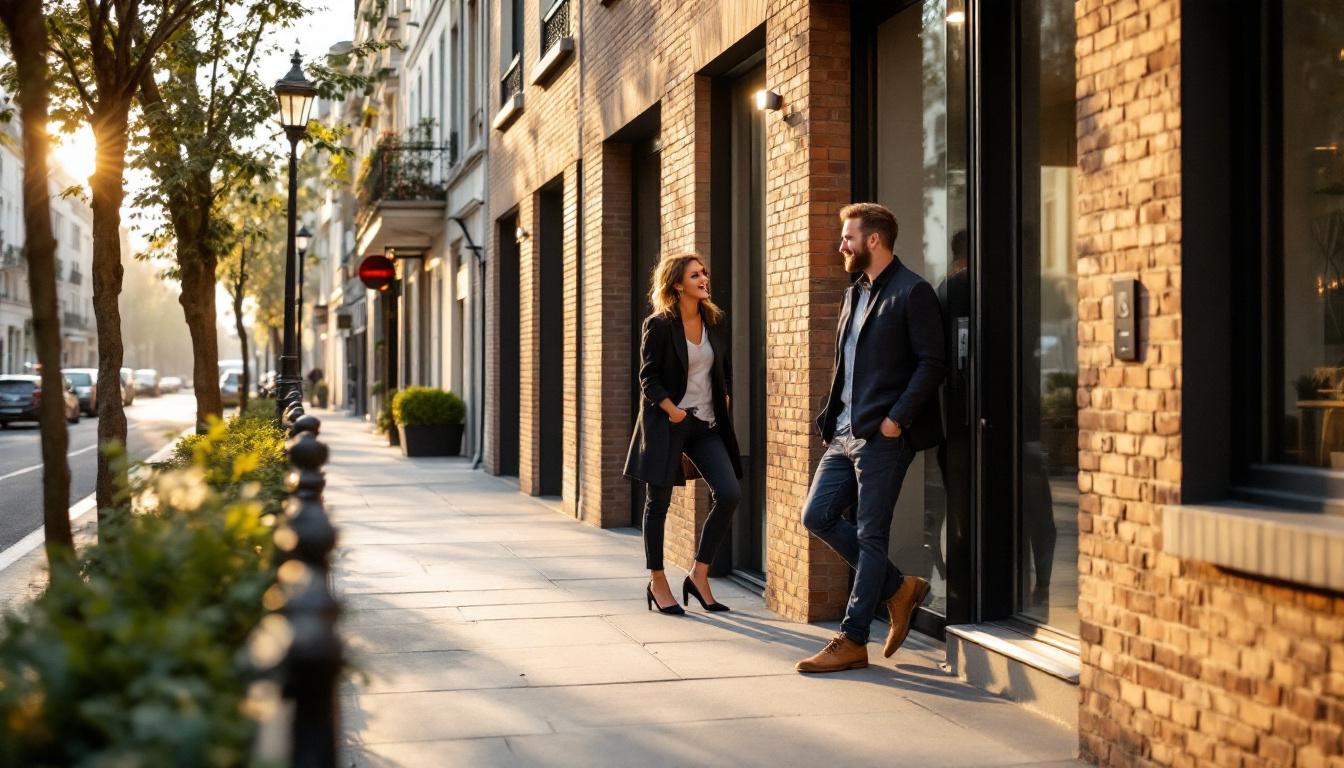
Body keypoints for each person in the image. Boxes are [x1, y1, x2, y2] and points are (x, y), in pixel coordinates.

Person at [796, 203, 948, 673]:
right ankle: (899, 588)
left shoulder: (912, 292)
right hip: (844, 432)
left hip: (883, 435)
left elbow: (932, 363)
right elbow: (846, 367)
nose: (842, 245)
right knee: (816, 515)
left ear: (874, 240)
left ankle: (853, 638)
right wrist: (833, 417)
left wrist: (896, 419)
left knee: (870, 532)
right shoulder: (854, 292)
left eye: (848, 238)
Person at [624, 254, 743, 616]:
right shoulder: (659, 325)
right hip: (670, 421)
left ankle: (699, 573)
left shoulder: (714, 321)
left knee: (729, 493)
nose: (704, 278)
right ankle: (657, 580)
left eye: (704, 272)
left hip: (706, 424)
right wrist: (672, 410)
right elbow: (648, 377)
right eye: (696, 274)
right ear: (678, 284)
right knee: (657, 504)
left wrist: (724, 392)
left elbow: (722, 367)